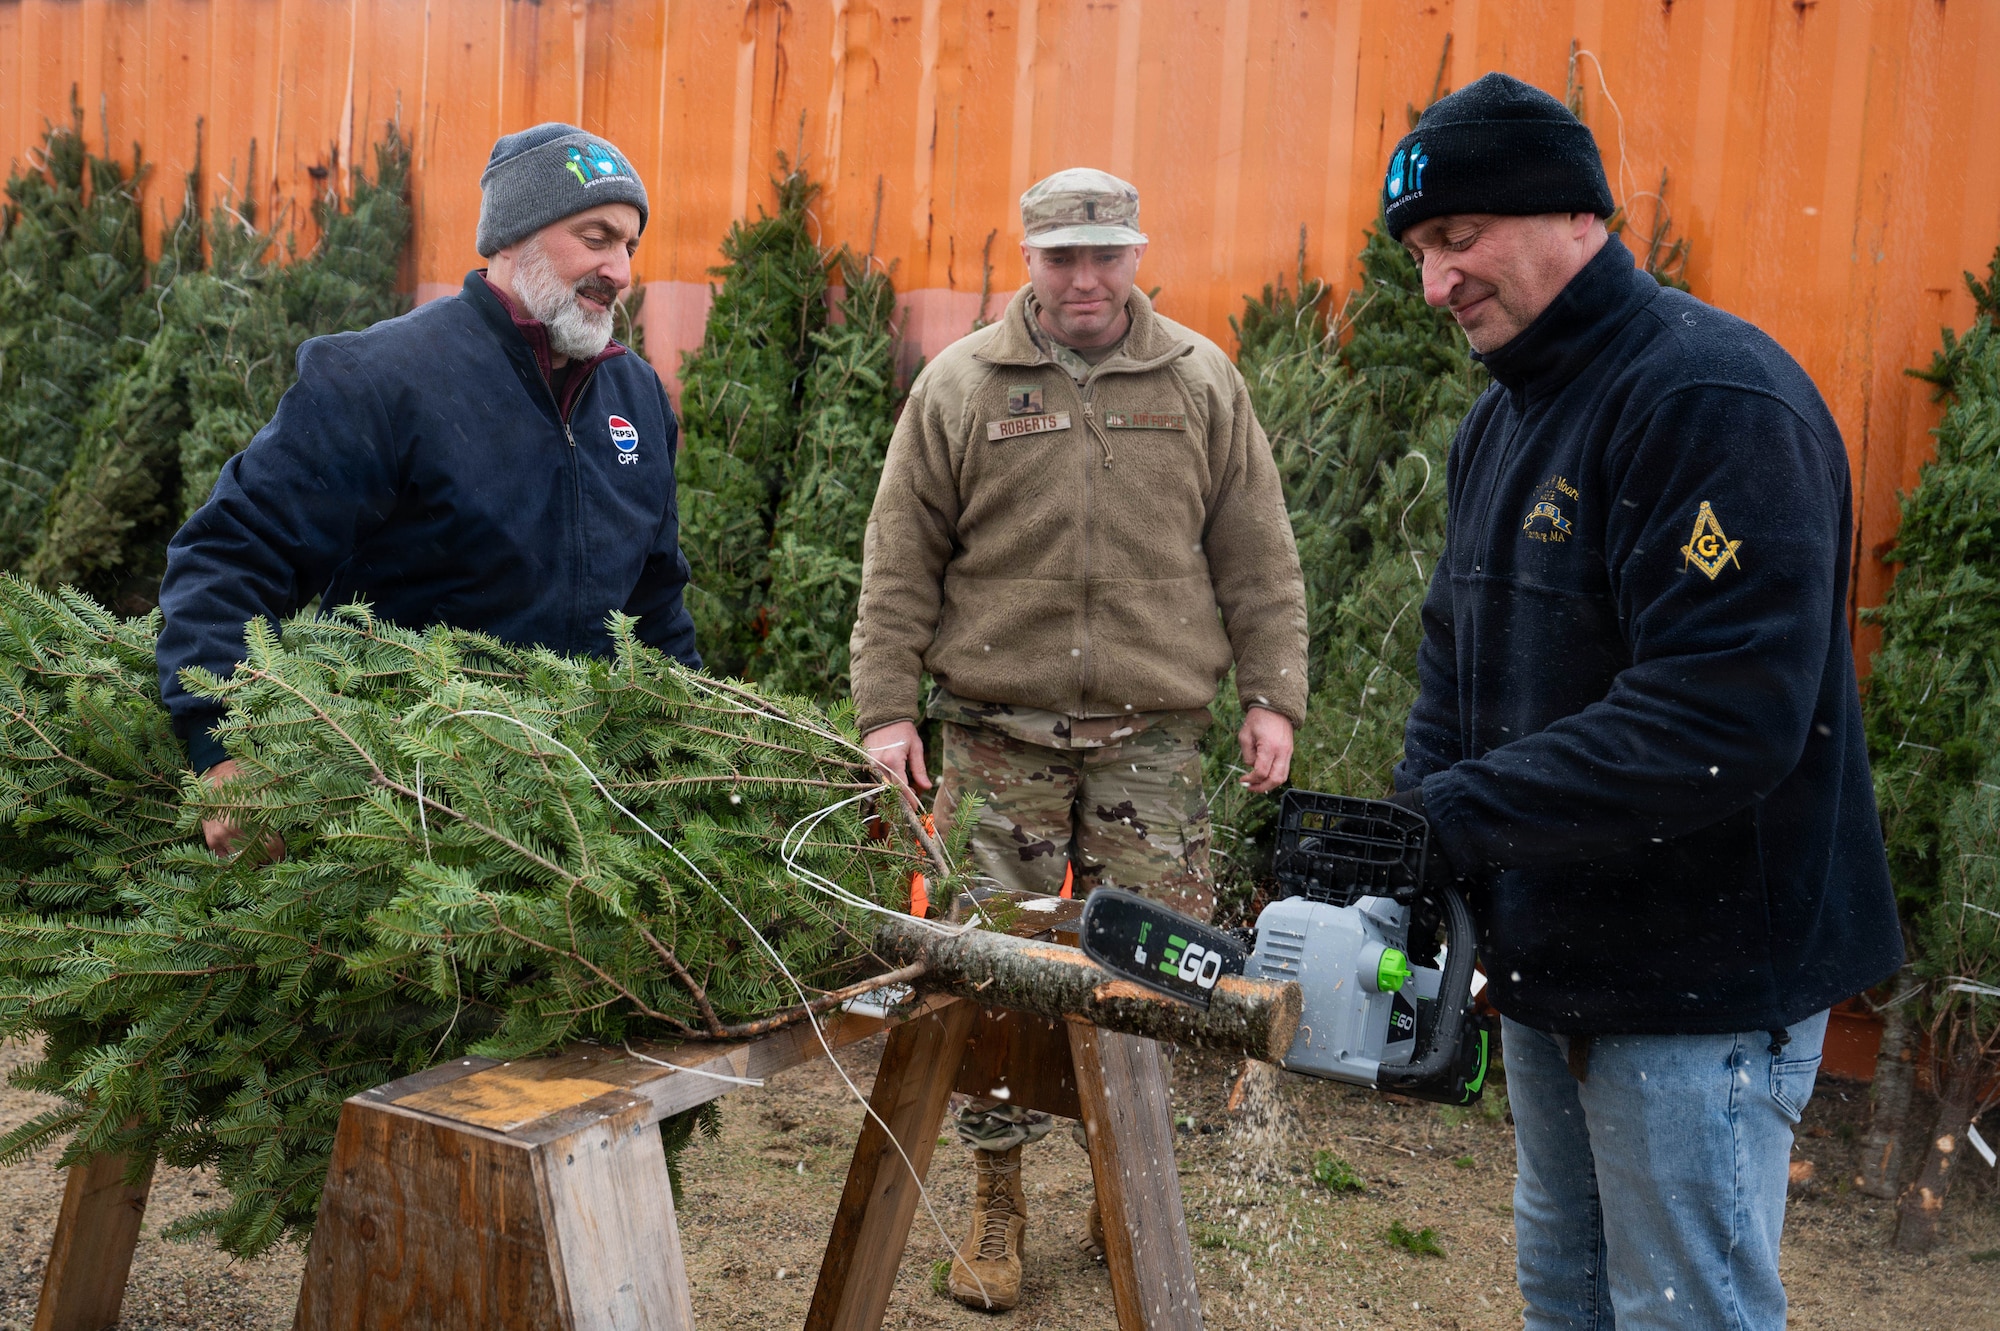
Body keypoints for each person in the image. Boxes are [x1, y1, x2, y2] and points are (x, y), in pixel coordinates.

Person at [1382, 73, 1903, 1330]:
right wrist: (1407, 834)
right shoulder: (1498, 423)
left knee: (1683, 1312)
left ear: (1572, 216)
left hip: (1704, 984)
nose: (1433, 282)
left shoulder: (1706, 399)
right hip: (1555, 961)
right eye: (1414, 252)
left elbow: (1721, 715)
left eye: (1457, 239)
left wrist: (1459, 814)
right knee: (1566, 1298)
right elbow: (1456, 661)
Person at [850, 167, 1308, 1311]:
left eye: (1105, 252)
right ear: (1028, 259)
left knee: (1154, 977)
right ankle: (993, 1197)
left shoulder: (1199, 380)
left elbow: (1257, 555)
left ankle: (1127, 1187)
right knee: (985, 977)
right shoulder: (961, 385)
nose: (1086, 277)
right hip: (996, 741)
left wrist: (1273, 696)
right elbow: (898, 558)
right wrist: (884, 708)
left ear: (1136, 251)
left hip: (1149, 744)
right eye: (1063, 256)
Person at [156, 123, 698, 852]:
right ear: (516, 234)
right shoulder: (384, 379)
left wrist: (697, 751)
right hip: (397, 819)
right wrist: (222, 747)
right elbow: (234, 555)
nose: (621, 269)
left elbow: (656, 611)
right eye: (596, 237)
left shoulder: (638, 399)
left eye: (629, 245)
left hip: (584, 829)